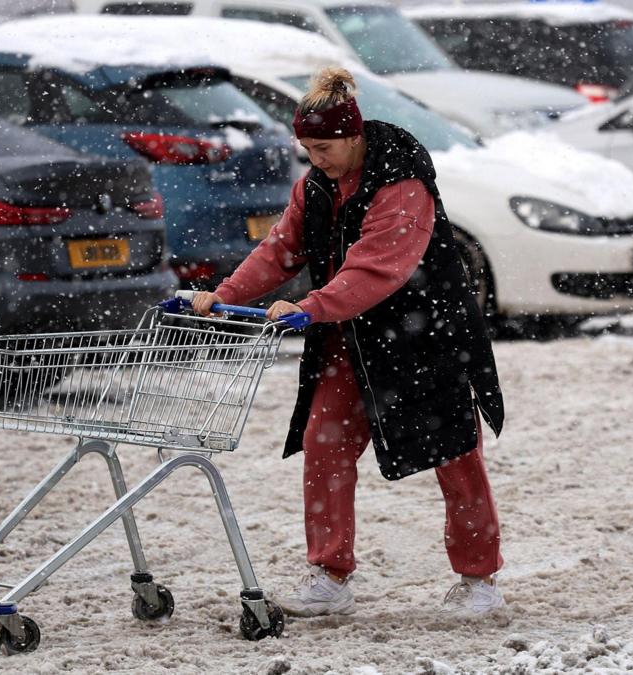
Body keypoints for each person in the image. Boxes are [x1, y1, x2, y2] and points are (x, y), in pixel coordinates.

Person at [190, 67, 508, 619]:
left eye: (326, 147)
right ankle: (330, 573)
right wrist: (223, 293)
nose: (317, 158)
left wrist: (309, 307)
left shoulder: (402, 183)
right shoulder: (312, 186)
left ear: (354, 135)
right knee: (324, 444)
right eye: (307, 148)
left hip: (426, 338)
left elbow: (375, 271)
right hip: (349, 340)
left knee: (456, 455)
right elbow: (280, 250)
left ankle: (480, 580)